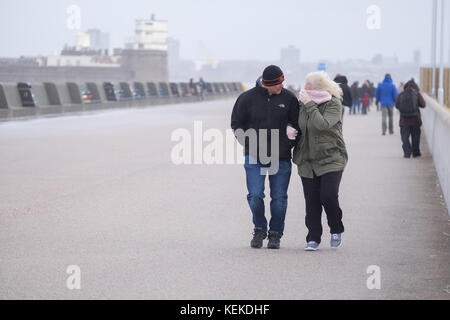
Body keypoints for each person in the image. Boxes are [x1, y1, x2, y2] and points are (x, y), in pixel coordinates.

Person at [231, 65, 300, 249]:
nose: (281, 86)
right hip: (254, 155)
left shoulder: (289, 99)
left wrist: (289, 143)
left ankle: (275, 233)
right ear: (266, 84)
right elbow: (237, 124)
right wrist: (249, 144)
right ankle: (259, 228)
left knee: (279, 197)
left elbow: (297, 124)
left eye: (282, 82)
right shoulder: (247, 98)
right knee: (255, 195)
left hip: (281, 155)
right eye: (277, 84)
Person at [293, 71, 348, 251]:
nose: (305, 88)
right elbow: (299, 124)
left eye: (308, 85)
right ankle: (313, 238)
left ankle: (336, 229)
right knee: (312, 201)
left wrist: (309, 105)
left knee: (328, 196)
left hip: (331, 157)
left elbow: (322, 125)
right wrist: (289, 129)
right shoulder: (302, 103)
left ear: (318, 86)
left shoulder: (334, 103)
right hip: (307, 159)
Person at [395, 79, 426, 158]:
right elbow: (423, 105)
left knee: (405, 138)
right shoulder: (417, 94)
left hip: (404, 121)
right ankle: (415, 152)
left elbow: (396, 105)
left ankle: (407, 153)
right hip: (415, 120)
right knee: (415, 137)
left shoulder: (401, 94)